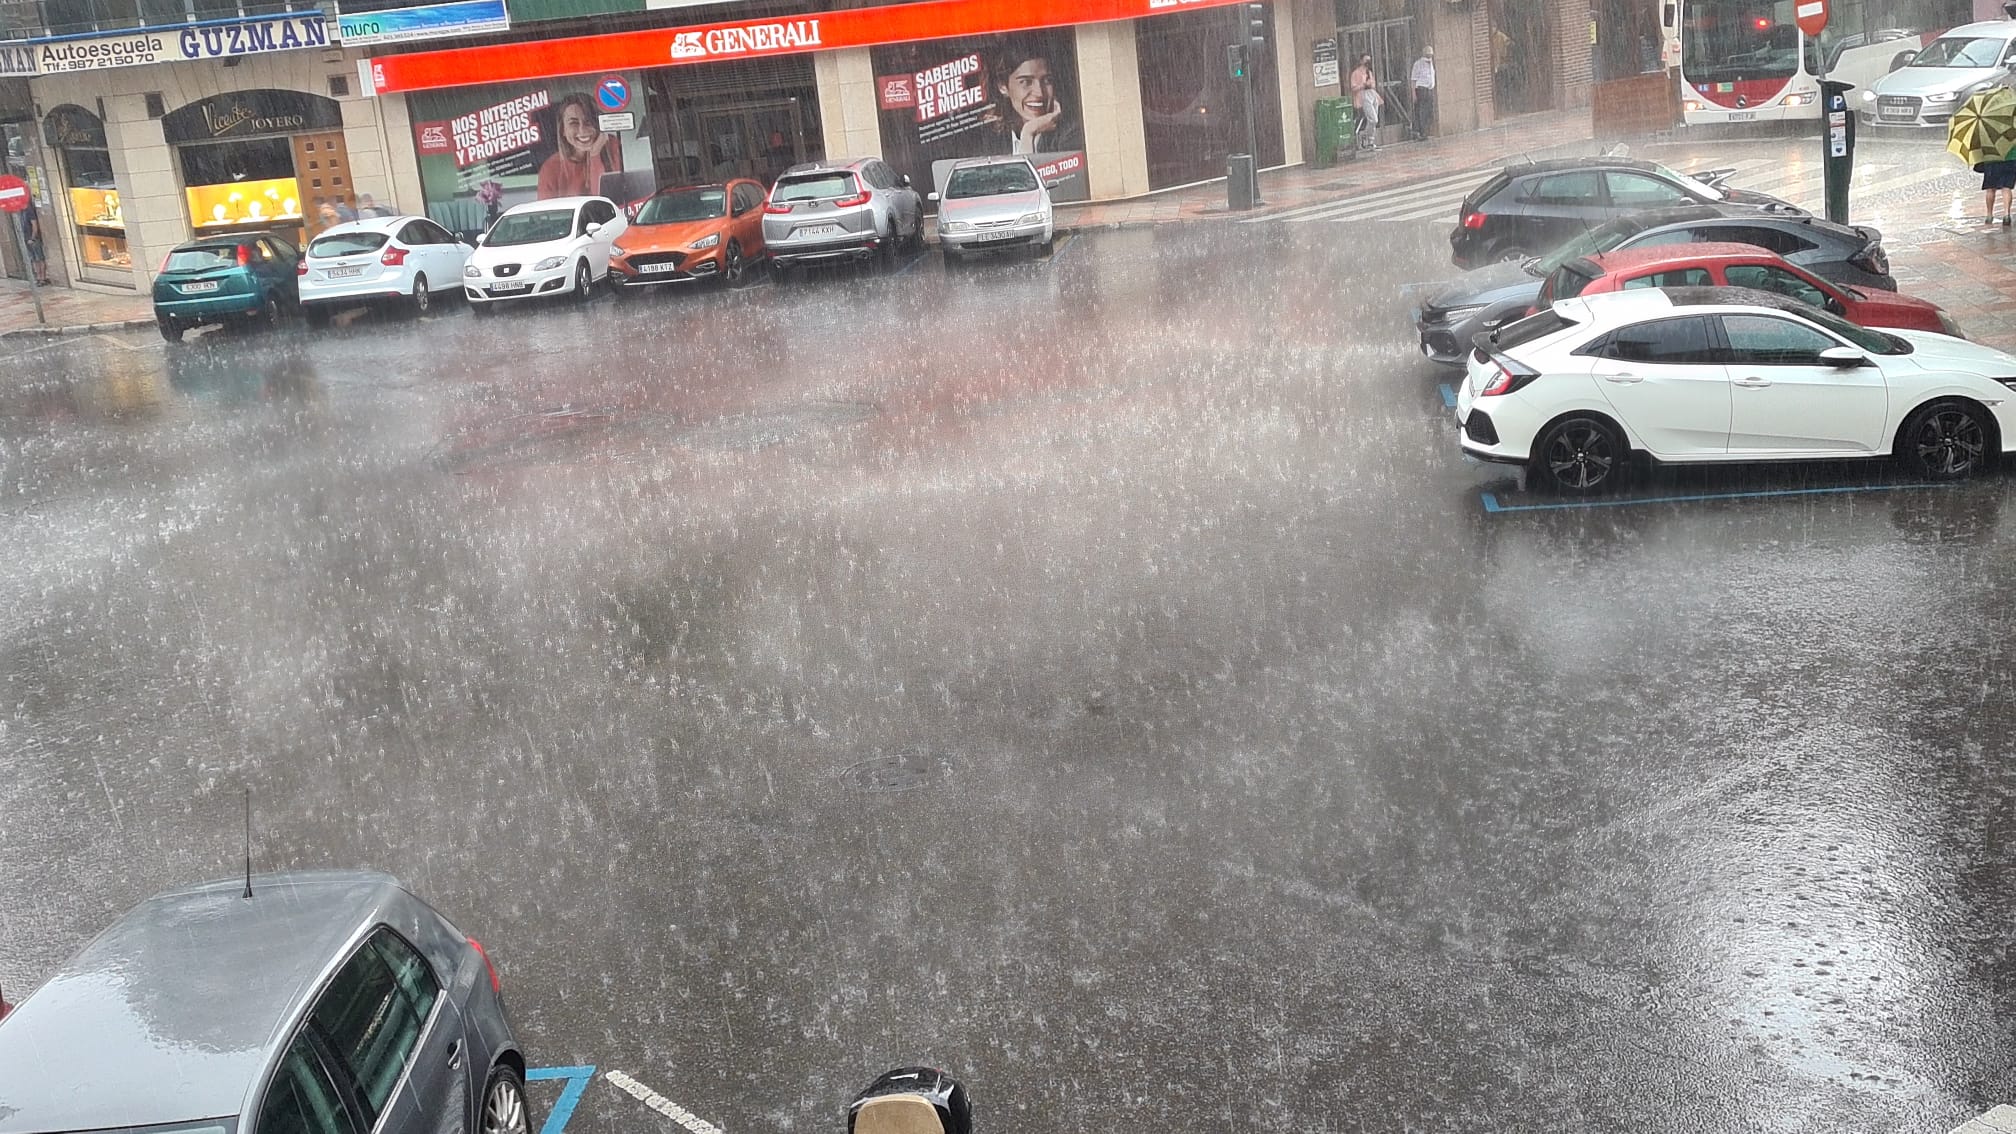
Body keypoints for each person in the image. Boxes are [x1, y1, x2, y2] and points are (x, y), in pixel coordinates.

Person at [988, 43, 1079, 155]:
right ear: (1003, 87)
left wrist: (1029, 132)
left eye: (1047, 81)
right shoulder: (991, 141)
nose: (1039, 93)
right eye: (1026, 82)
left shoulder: (1070, 135)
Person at [537, 93, 621, 199]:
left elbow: (608, 199)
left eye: (588, 121)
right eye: (574, 123)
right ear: (563, 130)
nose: (582, 130)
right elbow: (547, 212)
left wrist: (595, 154)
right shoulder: (551, 167)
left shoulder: (613, 147)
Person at [1348, 54, 1382, 151]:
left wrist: (1371, 84)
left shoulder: (1369, 72)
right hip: (1363, 94)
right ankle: (1363, 135)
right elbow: (1353, 88)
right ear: (1361, 61)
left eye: (1369, 60)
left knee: (1374, 119)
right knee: (1373, 119)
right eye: (1366, 60)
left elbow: (1374, 83)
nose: (1368, 62)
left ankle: (1370, 141)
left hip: (1372, 94)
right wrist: (1363, 85)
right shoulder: (1355, 73)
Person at [19, 194, 48, 286]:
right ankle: (38, 277)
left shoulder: (29, 210)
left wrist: (33, 238)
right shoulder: (21, 211)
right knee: (34, 259)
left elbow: (34, 225)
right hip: (27, 238)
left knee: (39, 258)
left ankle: (43, 278)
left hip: (33, 239)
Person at [1409, 46, 1437, 141]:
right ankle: (1421, 132)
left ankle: (1424, 130)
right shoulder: (1418, 64)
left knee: (1429, 111)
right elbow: (1413, 79)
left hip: (1429, 89)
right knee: (1421, 111)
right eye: (1428, 53)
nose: (1430, 55)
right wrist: (1413, 93)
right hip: (1421, 89)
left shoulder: (1431, 63)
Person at [1980, 158, 2016, 227]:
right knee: (2006, 188)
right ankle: (2006, 215)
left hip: (1991, 159)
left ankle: (1989, 215)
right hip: (2010, 159)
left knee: (1990, 189)